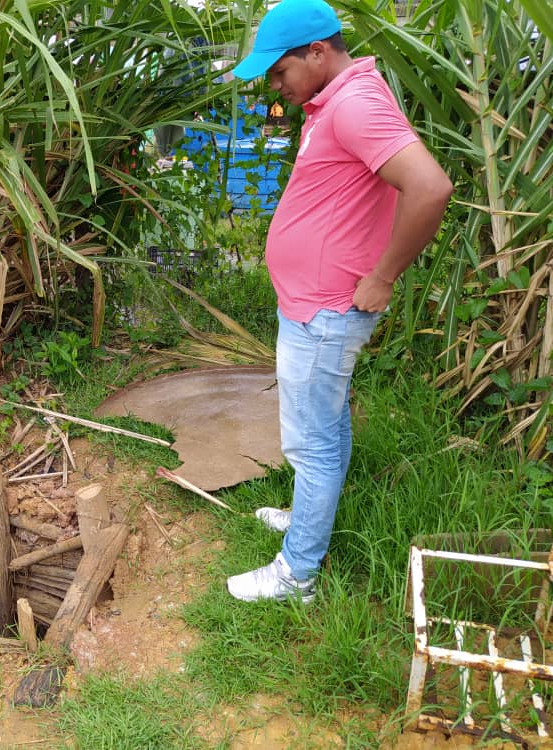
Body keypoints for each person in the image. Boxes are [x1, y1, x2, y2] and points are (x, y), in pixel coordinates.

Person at [224, 0, 453, 603]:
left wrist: (384, 276)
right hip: (313, 303)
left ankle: (296, 573)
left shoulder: (354, 103)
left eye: (279, 72)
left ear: (318, 52)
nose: (276, 86)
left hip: (325, 310)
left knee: (312, 440)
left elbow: (430, 188)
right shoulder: (337, 99)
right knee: (325, 426)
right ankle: (308, 517)